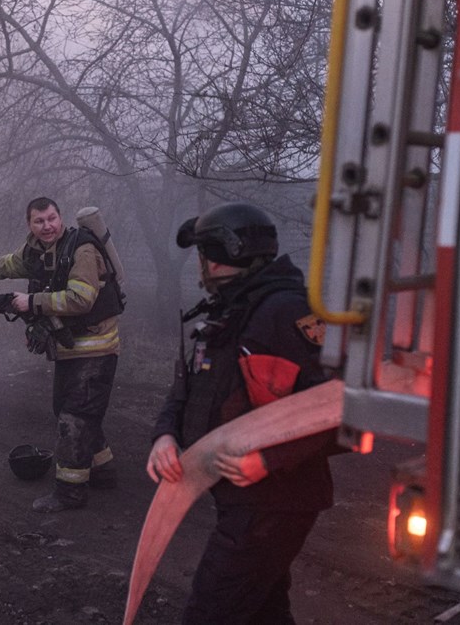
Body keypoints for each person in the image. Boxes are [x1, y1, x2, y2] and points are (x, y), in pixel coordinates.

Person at [145, 201, 338, 624]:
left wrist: (267, 460)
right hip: (242, 501)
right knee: (262, 611)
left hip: (275, 502)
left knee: (211, 612)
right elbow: (187, 387)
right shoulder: (225, 313)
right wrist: (165, 435)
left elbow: (333, 405)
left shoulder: (284, 311)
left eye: (201, 254)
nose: (199, 265)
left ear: (218, 258)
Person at [0, 197, 124, 513]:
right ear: (30, 224)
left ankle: (70, 492)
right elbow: (3, 265)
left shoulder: (81, 249)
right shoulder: (35, 253)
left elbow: (81, 300)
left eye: (52, 218)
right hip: (70, 348)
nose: (47, 226)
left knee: (75, 416)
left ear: (61, 218)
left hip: (96, 346)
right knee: (67, 409)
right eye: (39, 221)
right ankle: (103, 469)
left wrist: (31, 302)